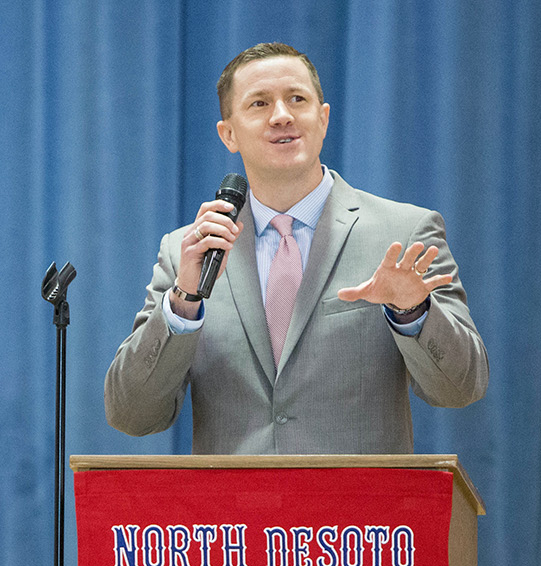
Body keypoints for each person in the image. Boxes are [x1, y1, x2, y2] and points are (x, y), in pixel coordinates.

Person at [104, 42, 488, 454]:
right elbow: (133, 415)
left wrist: (414, 311)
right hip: (234, 515)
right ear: (228, 134)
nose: (282, 116)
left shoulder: (403, 234)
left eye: (297, 99)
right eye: (259, 103)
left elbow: (460, 388)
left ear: (323, 119)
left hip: (359, 515)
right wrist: (182, 303)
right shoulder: (189, 251)